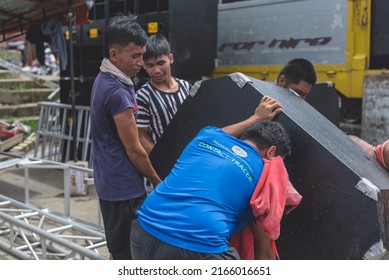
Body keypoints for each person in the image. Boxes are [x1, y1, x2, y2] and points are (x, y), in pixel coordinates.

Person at [130, 96, 301, 260]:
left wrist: (256, 117)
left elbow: (223, 132)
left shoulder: (207, 136)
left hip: (142, 230)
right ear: (272, 152)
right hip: (196, 247)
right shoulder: (267, 173)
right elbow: (264, 254)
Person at [90, 15, 161, 260]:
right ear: (114, 55)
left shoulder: (103, 78)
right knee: (130, 255)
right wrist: (158, 180)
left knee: (117, 249)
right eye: (135, 56)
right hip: (124, 188)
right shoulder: (117, 92)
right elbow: (134, 149)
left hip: (109, 180)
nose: (141, 62)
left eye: (142, 55)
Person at [136, 34, 192, 193]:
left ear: (171, 58)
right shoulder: (143, 96)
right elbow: (141, 135)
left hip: (192, 163)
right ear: (144, 66)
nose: (156, 70)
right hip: (166, 171)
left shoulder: (187, 87)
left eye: (161, 63)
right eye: (150, 65)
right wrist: (162, 161)